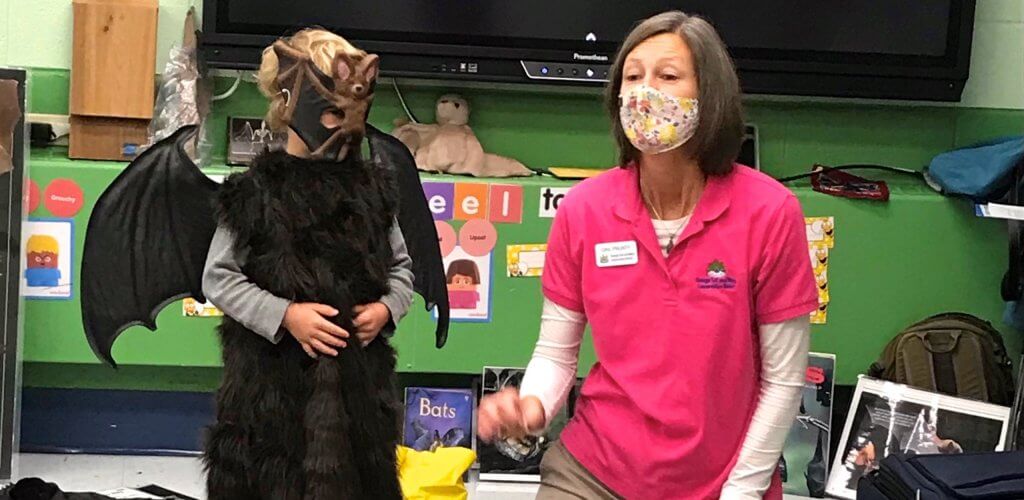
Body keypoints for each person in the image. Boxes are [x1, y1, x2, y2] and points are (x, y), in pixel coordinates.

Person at [477, 11, 817, 500]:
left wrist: (740, 492)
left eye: (668, 76)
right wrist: (531, 409)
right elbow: (555, 353)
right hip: (593, 472)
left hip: (726, 482)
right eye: (632, 77)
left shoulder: (770, 212)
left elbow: (783, 381)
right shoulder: (583, 209)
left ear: (710, 95)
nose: (644, 92)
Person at [200, 29, 413, 498]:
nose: (345, 126)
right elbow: (218, 277)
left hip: (358, 393)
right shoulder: (256, 191)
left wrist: (387, 308)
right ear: (289, 103)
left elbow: (402, 268)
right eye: (333, 112)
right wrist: (285, 315)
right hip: (269, 392)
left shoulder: (373, 190)